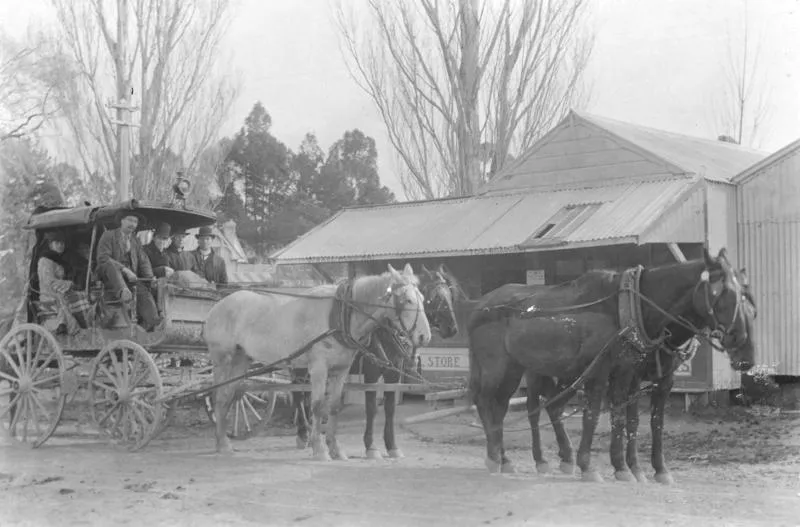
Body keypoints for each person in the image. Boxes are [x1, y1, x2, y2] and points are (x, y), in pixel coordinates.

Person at [96, 210, 161, 331]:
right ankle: (123, 291)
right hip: (108, 277)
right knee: (110, 263)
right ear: (121, 221)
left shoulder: (135, 241)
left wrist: (150, 278)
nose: (132, 224)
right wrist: (125, 269)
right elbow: (103, 258)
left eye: (135, 222)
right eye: (129, 220)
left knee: (144, 292)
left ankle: (153, 322)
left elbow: (143, 261)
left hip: (130, 279)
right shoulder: (108, 235)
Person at [36, 231, 89, 333]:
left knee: (82, 295)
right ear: (51, 245)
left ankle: (85, 325)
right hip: (49, 293)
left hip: (58, 291)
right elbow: (48, 281)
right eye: (57, 243)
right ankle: (72, 327)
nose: (60, 245)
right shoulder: (45, 260)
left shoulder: (58, 259)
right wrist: (68, 284)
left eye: (62, 243)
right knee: (75, 298)